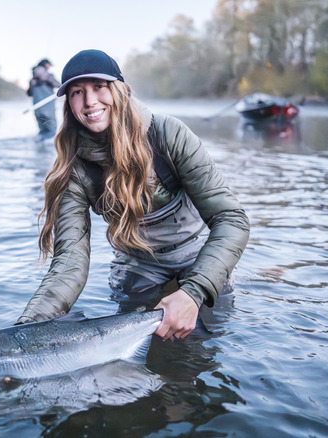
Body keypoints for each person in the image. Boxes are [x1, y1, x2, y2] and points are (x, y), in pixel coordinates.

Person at [16, 50, 250, 341]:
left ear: (120, 90)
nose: (89, 102)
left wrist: (193, 292)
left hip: (196, 253)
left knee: (202, 344)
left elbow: (231, 219)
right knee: (143, 351)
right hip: (137, 265)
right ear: (69, 104)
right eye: (77, 92)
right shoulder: (73, 169)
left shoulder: (169, 134)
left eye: (99, 87)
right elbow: (69, 264)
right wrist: (23, 332)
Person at [27, 58, 62, 141]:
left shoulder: (32, 80)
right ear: (46, 65)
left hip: (37, 111)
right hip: (48, 110)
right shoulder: (49, 76)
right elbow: (59, 85)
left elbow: (29, 93)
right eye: (49, 65)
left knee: (42, 132)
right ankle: (48, 152)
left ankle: (39, 150)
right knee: (51, 132)